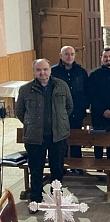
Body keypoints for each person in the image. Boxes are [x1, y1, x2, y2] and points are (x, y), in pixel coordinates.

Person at [16, 59, 73, 207]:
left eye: (45, 69)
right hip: (35, 137)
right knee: (36, 169)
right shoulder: (25, 89)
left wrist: (59, 121)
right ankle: (35, 198)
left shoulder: (61, 86)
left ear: (50, 70)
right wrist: (33, 124)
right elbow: (20, 112)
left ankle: (56, 198)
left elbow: (69, 107)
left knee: (57, 168)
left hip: (58, 135)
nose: (42, 73)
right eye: (38, 70)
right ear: (34, 71)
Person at [51, 46, 89, 174]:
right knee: (61, 141)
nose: (70, 56)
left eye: (72, 54)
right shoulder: (53, 72)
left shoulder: (80, 71)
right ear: (61, 55)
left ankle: (77, 166)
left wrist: (83, 106)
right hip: (59, 113)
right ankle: (62, 166)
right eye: (67, 54)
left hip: (77, 111)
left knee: (76, 139)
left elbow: (86, 92)